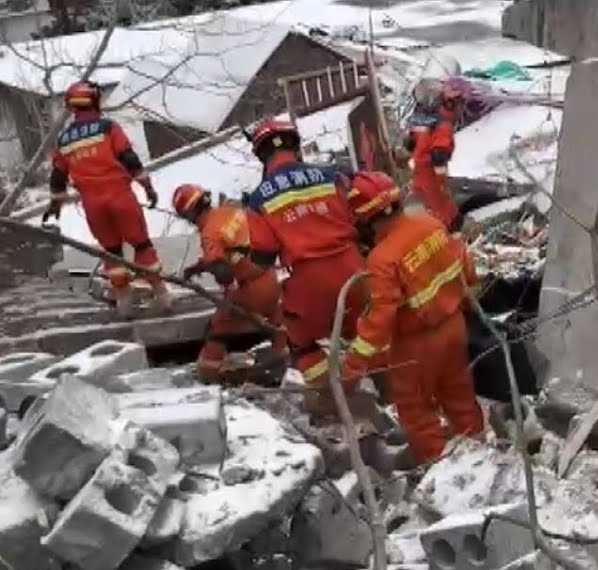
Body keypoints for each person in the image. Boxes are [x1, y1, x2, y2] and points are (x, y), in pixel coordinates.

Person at [340, 171, 484, 463]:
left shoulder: (382, 258)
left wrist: (352, 368)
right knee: (459, 397)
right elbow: (465, 265)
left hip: (418, 345)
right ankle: (482, 457)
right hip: (454, 326)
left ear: (365, 219)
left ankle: (438, 470)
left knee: (416, 410)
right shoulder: (430, 223)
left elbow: (381, 317)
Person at [242, 118, 367, 390]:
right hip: (354, 270)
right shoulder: (333, 177)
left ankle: (333, 399)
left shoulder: (258, 199)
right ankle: (390, 396)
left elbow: (263, 256)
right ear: (295, 145)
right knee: (368, 334)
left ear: (262, 154)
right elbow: (360, 219)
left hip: (310, 284)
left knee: (302, 343)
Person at [43, 80, 170, 318]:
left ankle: (124, 303)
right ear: (94, 100)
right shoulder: (108, 127)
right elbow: (128, 158)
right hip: (120, 197)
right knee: (141, 245)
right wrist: (147, 186)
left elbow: (58, 175)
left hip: (93, 206)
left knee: (112, 252)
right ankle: (162, 294)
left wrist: (55, 203)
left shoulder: (64, 140)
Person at [172, 183, 288, 383]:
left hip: (250, 290)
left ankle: (209, 377)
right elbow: (234, 249)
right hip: (270, 279)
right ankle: (284, 364)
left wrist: (212, 268)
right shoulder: (231, 211)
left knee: (217, 331)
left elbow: (224, 273)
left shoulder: (209, 233)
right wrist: (200, 266)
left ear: (189, 215)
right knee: (277, 325)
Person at [404, 80, 463, 232]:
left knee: (434, 207)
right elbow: (435, 151)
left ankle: (446, 232)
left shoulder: (432, 121)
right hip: (426, 176)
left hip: (425, 174)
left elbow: (413, 143)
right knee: (437, 209)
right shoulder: (437, 122)